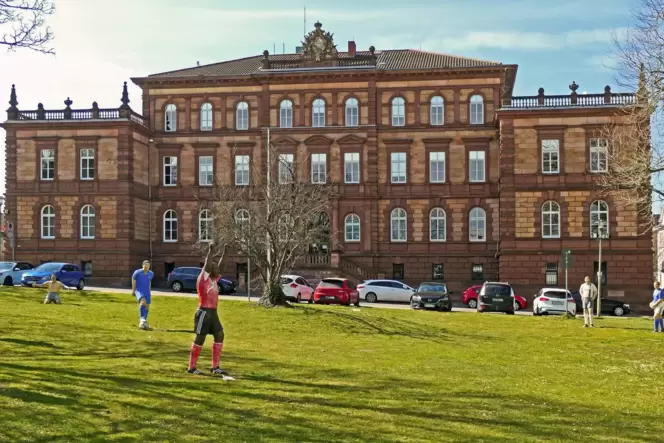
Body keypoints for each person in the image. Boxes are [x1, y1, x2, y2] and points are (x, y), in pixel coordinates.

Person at [187, 243, 227, 376]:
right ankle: (192, 367)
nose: (216, 268)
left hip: (213, 313)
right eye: (213, 267)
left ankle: (215, 367)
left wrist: (226, 252)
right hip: (203, 312)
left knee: (220, 334)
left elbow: (222, 266)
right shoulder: (203, 279)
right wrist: (211, 251)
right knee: (200, 338)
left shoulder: (214, 280)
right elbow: (208, 264)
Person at [132, 260, 154, 330]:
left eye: (148, 265)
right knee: (143, 303)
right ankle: (142, 319)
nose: (147, 267)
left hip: (146, 291)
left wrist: (149, 291)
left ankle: (144, 321)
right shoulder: (137, 272)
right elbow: (133, 279)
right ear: (142, 265)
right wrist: (133, 290)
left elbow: (149, 281)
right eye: (145, 265)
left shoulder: (151, 273)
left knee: (147, 306)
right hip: (139, 290)